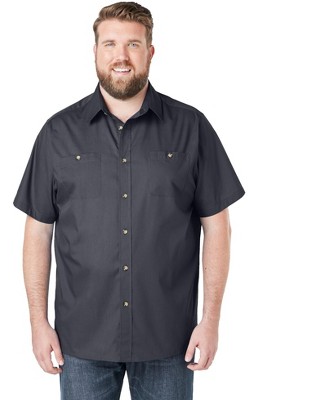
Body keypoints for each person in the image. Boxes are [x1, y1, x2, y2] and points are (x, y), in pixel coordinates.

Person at [13, 2, 245, 399]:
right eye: (110, 44)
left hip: (169, 340)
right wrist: (38, 322)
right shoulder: (57, 133)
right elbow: (38, 231)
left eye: (133, 44)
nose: (121, 56)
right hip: (80, 341)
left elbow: (218, 227)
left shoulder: (191, 127)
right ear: (95, 51)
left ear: (150, 52)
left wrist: (210, 320)